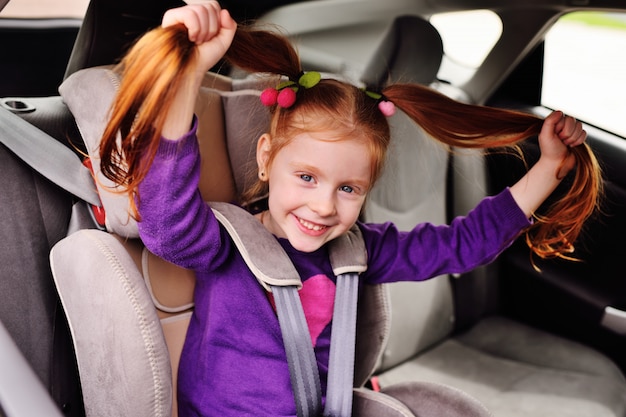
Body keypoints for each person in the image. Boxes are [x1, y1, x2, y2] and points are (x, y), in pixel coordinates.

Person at [99, 3, 601, 416]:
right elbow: (166, 225)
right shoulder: (229, 245)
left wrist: (548, 169)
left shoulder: (361, 249)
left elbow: (461, 245)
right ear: (267, 157)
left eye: (349, 189)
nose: (323, 206)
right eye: (307, 177)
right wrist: (189, 76)